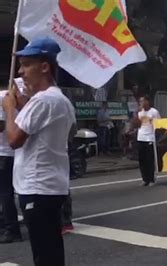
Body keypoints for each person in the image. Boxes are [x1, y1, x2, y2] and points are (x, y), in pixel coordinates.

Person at [2, 37, 76, 266]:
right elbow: (70, 133)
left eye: (26, 65)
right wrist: (23, 105)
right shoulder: (59, 100)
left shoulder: (43, 100)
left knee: (44, 255)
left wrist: (10, 108)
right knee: (50, 252)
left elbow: (14, 139)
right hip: (50, 186)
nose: (21, 72)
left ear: (44, 67)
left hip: (37, 187)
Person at [0, 90, 22, 244]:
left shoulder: (3, 97)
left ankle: (12, 229)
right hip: (9, 153)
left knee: (5, 193)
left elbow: (1, 125)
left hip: (4, 153)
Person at [137, 96, 161, 186]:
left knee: (149, 160)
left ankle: (151, 179)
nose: (141, 103)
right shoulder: (139, 112)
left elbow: (159, 124)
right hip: (140, 137)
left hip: (150, 137)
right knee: (142, 160)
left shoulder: (154, 112)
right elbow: (135, 123)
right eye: (140, 101)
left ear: (147, 101)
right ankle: (144, 179)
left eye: (143, 101)